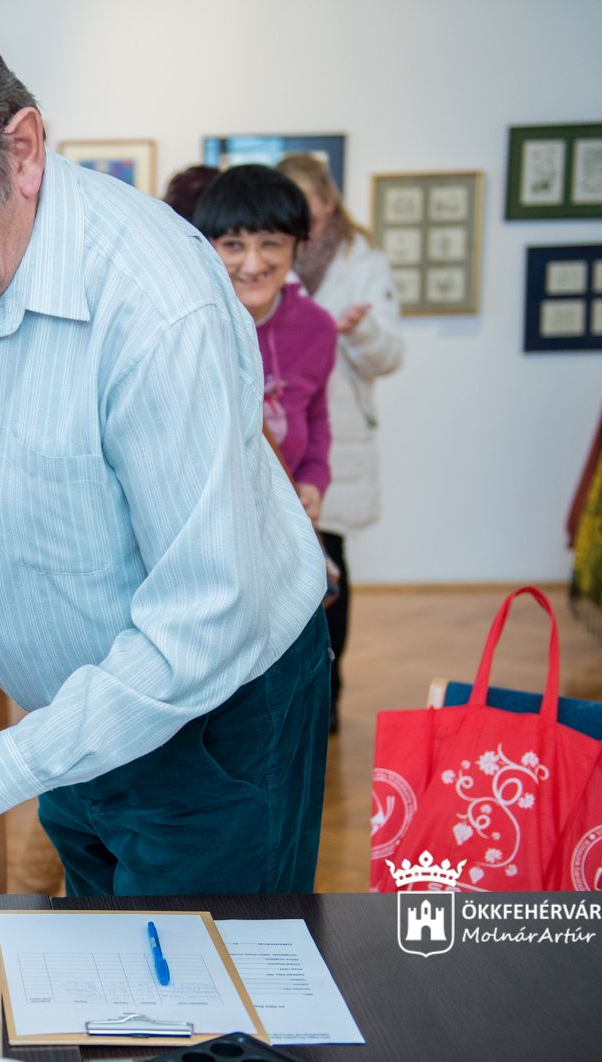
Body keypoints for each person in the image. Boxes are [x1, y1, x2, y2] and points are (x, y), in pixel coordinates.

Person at [0, 0, 330, 899]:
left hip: (222, 718)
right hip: (69, 717)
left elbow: (202, 619)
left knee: (212, 1020)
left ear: (25, 151)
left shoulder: (156, 306)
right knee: (108, 984)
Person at [275, 153, 404, 721]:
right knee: (280, 559)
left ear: (327, 203)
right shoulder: (271, 253)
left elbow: (390, 356)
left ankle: (328, 681)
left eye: (306, 203)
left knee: (330, 561)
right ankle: (289, 681)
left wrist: (362, 330)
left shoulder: (364, 262)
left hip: (339, 432)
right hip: (280, 433)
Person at [192, 165, 337, 528]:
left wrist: (313, 480)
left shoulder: (317, 328)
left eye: (271, 243)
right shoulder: (189, 326)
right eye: (233, 245)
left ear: (298, 244)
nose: (253, 264)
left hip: (284, 521)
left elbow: (316, 416)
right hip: (207, 522)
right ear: (208, 246)